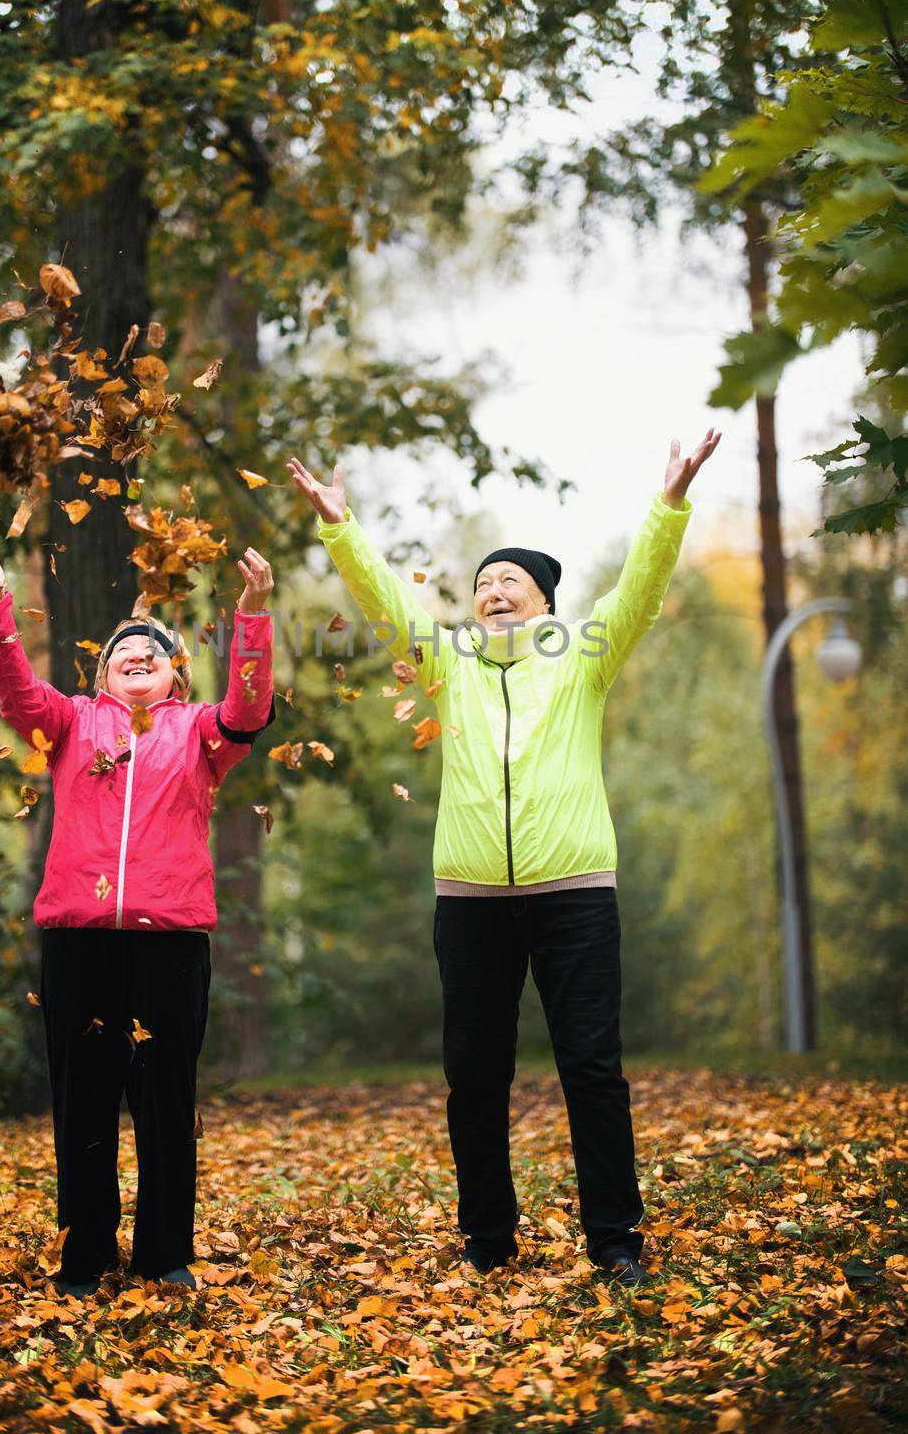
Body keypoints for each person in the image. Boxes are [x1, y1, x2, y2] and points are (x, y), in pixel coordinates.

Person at [286, 431, 719, 1284]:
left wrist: (668, 504)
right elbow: (388, 606)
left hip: (575, 896)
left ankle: (615, 1241)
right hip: (470, 898)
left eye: (507, 581)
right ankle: (487, 1239)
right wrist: (341, 529)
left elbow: (640, 591)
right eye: (481, 583)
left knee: (591, 1069)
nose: (490, 592)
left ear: (544, 601)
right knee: (472, 1078)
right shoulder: (447, 662)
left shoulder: (581, 659)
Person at [0, 524, 276, 1297]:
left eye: (152, 650)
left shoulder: (200, 730)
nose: (135, 655)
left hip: (170, 945)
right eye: (120, 651)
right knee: (83, 1103)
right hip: (79, 944)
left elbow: (249, 705)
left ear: (175, 670)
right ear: (103, 673)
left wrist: (254, 613)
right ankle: (84, 1254)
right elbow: (12, 688)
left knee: (166, 1102)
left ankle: (165, 1253)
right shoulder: (70, 722)